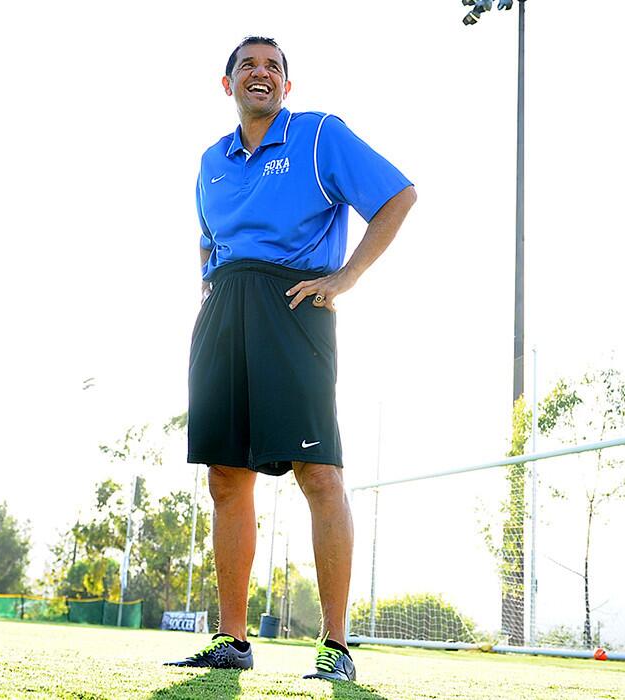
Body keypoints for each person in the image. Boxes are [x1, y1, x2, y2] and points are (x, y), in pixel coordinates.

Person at [166, 36, 416, 682]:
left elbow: (398, 197)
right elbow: (206, 239)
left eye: (273, 67)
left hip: (295, 309)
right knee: (225, 477)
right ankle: (232, 640)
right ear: (228, 85)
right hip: (224, 313)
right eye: (248, 65)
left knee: (319, 473)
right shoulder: (210, 163)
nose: (262, 73)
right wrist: (209, 286)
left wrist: (347, 277)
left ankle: (335, 644)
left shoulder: (317, 136)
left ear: (286, 86)